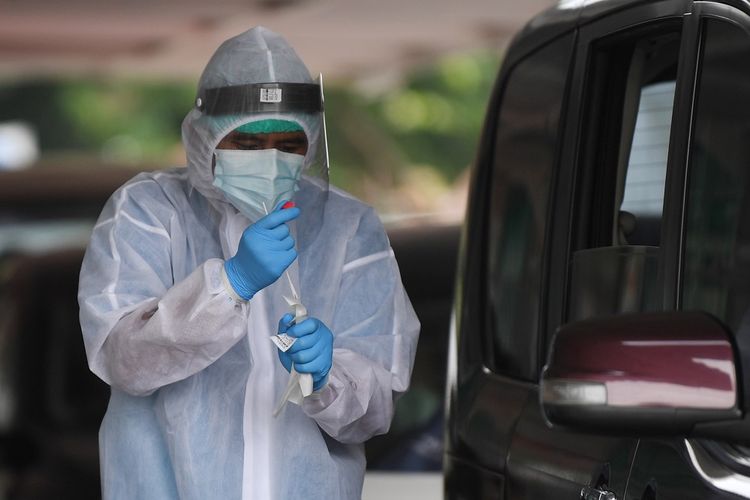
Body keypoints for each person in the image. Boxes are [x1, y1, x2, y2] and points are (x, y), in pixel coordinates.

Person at [78, 26, 420, 499]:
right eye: (247, 144)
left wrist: (326, 379)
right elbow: (124, 360)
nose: (271, 160)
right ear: (205, 139)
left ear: (313, 142)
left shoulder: (347, 227)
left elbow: (376, 408)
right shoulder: (150, 212)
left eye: (288, 143)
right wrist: (231, 284)